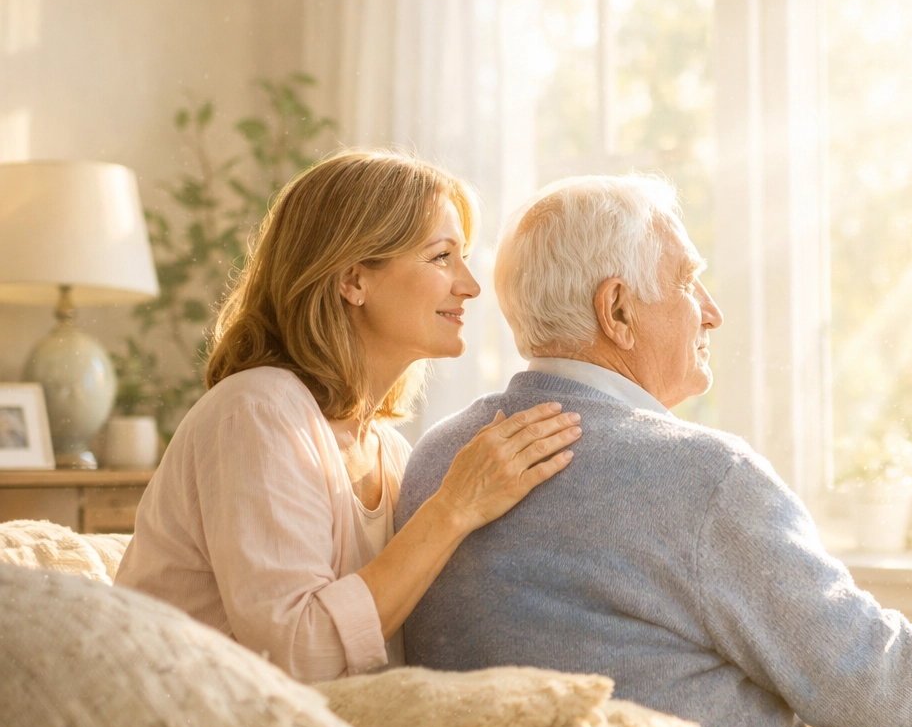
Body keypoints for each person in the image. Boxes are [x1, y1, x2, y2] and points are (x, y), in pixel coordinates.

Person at [399, 174, 912, 727]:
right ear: (616, 311)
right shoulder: (698, 474)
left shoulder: (438, 462)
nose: (711, 311)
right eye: (688, 282)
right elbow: (874, 690)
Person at [115, 150, 582, 683]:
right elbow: (299, 655)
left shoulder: (391, 450)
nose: (470, 286)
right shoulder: (256, 412)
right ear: (354, 279)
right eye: (441, 257)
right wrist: (453, 506)